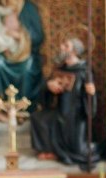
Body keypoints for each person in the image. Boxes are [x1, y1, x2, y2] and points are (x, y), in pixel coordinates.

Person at [29, 38, 99, 169]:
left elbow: (90, 99)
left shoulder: (84, 70)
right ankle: (49, 151)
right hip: (60, 110)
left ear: (74, 51)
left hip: (76, 115)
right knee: (37, 118)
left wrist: (91, 93)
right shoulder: (60, 69)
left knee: (79, 150)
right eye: (62, 45)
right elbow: (45, 90)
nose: (61, 47)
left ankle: (66, 151)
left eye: (66, 46)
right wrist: (49, 86)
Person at [0, 0, 44, 107]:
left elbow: (38, 36)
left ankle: (23, 108)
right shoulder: (0, 8)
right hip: (5, 53)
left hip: (26, 54)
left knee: (27, 69)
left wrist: (19, 36)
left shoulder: (27, 7)